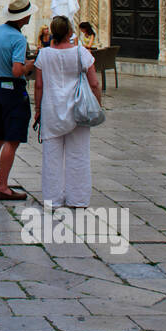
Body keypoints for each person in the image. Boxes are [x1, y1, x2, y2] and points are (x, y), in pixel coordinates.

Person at [34, 15, 103, 208]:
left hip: (52, 109)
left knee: (51, 156)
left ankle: (52, 199)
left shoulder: (44, 55)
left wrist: (37, 109)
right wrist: (97, 105)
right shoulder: (82, 53)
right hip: (78, 109)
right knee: (79, 154)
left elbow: (39, 85)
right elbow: (94, 83)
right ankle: (78, 198)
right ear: (70, 32)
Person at [0, 0, 37, 201]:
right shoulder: (18, 39)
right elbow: (16, 70)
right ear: (22, 18)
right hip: (13, 89)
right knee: (12, 139)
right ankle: (3, 185)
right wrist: (30, 65)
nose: (29, 18)